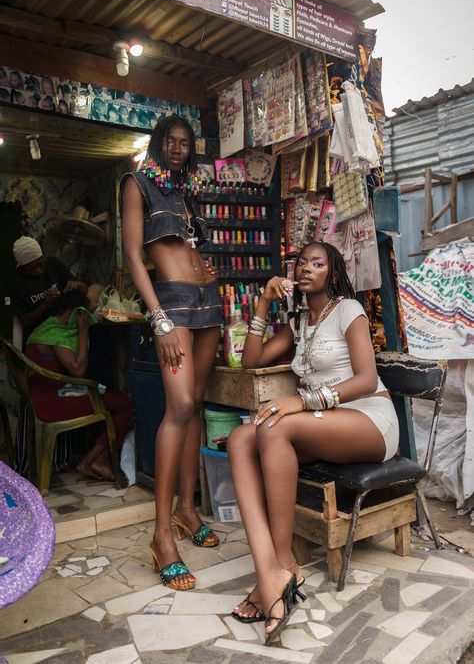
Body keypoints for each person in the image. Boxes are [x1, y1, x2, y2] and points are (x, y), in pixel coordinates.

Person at [227, 241, 399, 645]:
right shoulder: (301, 322)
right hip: (327, 423)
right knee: (239, 439)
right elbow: (250, 361)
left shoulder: (348, 311)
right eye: (300, 263)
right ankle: (270, 572)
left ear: (332, 272)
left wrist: (300, 401)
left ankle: (283, 565)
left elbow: (366, 380)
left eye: (316, 263)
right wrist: (262, 306)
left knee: (273, 424)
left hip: (368, 419)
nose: (305, 269)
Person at [121, 114, 223, 591]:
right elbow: (132, 255)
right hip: (173, 306)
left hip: (207, 304)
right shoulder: (137, 184)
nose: (178, 148)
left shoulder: (186, 192)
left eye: (185, 143)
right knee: (179, 406)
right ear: (159, 142)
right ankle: (162, 535)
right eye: (171, 141)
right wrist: (158, 316)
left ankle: (186, 509)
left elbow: (192, 249)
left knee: (197, 403)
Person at [25, 288, 133, 481]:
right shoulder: (57, 334)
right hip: (52, 404)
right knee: (124, 404)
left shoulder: (47, 328)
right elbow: (78, 370)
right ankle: (94, 460)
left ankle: (93, 458)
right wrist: (83, 332)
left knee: (114, 398)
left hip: (45, 398)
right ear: (73, 312)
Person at [8, 236, 87, 337]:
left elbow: (85, 290)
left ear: (43, 257)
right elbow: (23, 322)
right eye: (31, 269)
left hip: (63, 326)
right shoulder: (16, 283)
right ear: (22, 268)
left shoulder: (53, 264)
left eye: (41, 264)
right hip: (39, 333)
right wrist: (44, 305)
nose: (38, 271)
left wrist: (77, 285)